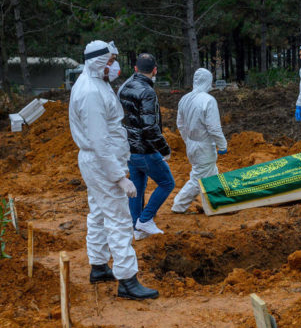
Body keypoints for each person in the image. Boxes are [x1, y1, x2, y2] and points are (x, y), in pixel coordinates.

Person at [68, 40, 158, 300]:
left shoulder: (96, 85)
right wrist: (119, 177)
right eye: (110, 61)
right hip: (101, 163)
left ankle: (98, 266)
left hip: (98, 162)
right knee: (119, 219)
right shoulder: (91, 92)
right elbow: (99, 141)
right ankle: (127, 280)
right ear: (98, 62)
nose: (114, 66)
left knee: (98, 213)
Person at [117, 53, 175, 240]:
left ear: (135, 69)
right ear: (155, 70)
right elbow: (150, 127)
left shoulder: (125, 87)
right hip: (144, 149)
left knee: (137, 189)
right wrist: (164, 149)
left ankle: (136, 228)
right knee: (167, 183)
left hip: (129, 148)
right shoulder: (147, 92)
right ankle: (145, 220)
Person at [171, 68, 228, 214]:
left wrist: (188, 140)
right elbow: (214, 128)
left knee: (212, 174)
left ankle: (216, 204)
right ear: (208, 81)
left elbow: (180, 124)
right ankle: (179, 205)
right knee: (198, 178)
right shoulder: (208, 100)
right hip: (204, 145)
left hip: (192, 143)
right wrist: (222, 144)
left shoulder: (184, 99)